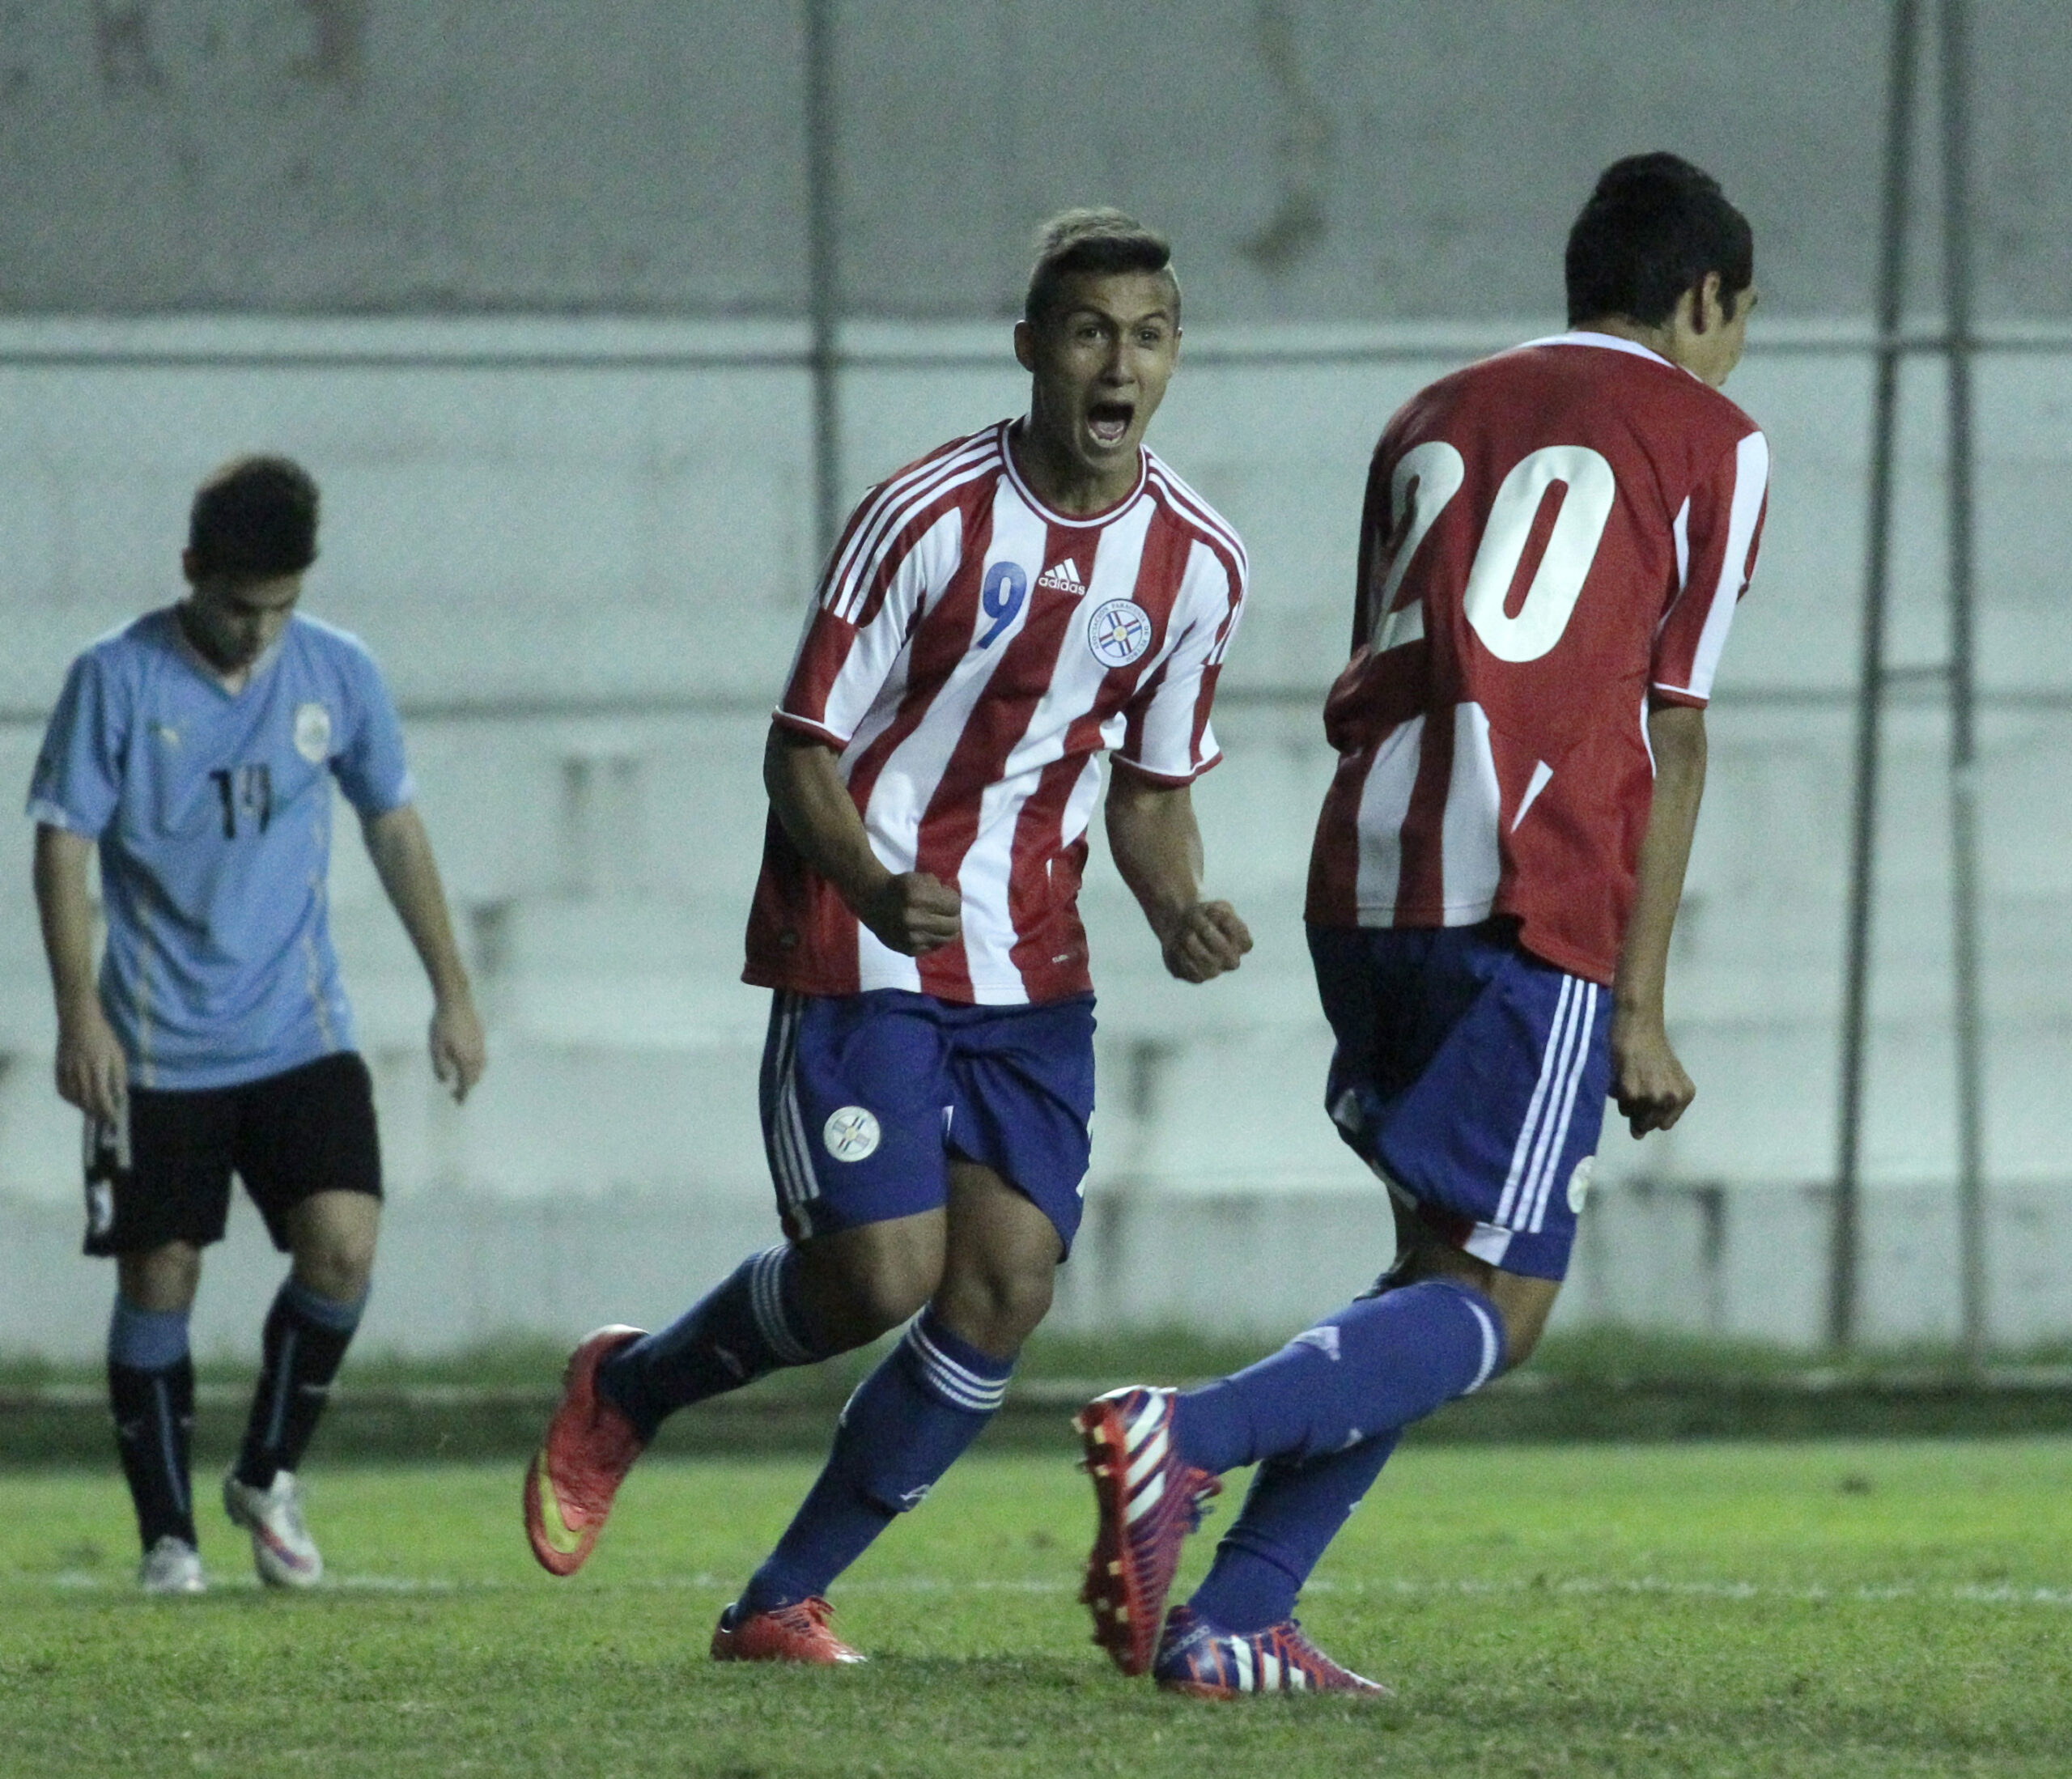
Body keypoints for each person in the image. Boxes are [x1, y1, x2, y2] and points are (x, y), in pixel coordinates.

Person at [1075, 152, 1770, 1697]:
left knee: (1429, 1271)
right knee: (1501, 1303)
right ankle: (1180, 1433)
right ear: (1705, 297)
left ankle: (1240, 1614)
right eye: (1736, 321)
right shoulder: (1715, 435)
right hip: (1530, 889)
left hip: (1367, 876)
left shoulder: (1430, 412)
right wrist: (1640, 1005)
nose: (1733, 353)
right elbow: (1675, 725)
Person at [524, 208, 1253, 1663]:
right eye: (1092, 331)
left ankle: (778, 1601)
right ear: (1035, 350)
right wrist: (865, 881)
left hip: (1030, 964)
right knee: (879, 1273)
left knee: (1007, 1283)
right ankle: (633, 1387)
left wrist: (1177, 904)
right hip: (859, 935)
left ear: (1175, 357)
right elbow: (801, 746)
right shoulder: (922, 517)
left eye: (1150, 335)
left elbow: (1152, 792)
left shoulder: (1197, 564)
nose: (1121, 363)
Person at [28, 454, 486, 1595]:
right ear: (193, 572)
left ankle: (266, 1473)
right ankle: (168, 1537)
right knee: (161, 1273)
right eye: (237, 607)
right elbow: (62, 845)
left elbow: (392, 824)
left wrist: (453, 988)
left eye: (277, 608)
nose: (255, 633)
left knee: (343, 1246)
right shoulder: (116, 677)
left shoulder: (339, 672)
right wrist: (77, 1011)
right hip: (156, 1041)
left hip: (300, 1027)